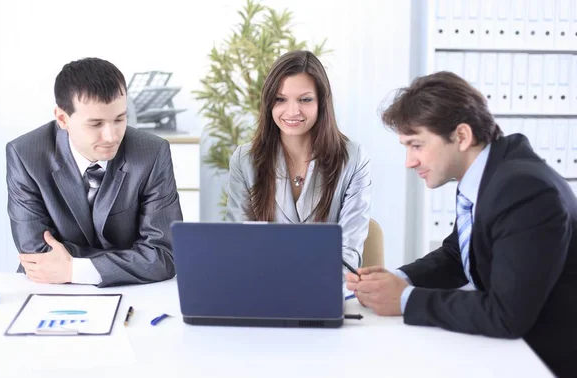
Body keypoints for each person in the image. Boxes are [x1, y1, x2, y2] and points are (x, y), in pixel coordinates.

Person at [346, 71, 577, 377]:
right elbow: (458, 254)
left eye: (416, 145)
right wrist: (396, 279)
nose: (409, 161)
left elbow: (507, 315)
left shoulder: (524, 190)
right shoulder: (489, 173)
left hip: (542, 361)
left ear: (462, 136)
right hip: (508, 350)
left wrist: (404, 299)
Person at [6, 57, 182, 287]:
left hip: (133, 293)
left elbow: (164, 256)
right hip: (49, 289)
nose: (112, 136)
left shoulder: (152, 152)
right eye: (96, 124)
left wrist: (75, 269)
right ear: (62, 118)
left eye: (120, 119)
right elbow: (38, 256)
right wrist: (129, 259)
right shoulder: (25, 155)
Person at [226, 50, 372, 277]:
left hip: (325, 287)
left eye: (305, 99)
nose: (292, 111)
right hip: (262, 286)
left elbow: (348, 252)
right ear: (268, 103)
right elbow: (239, 245)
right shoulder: (245, 160)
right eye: (280, 99)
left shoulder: (352, 158)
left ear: (321, 102)